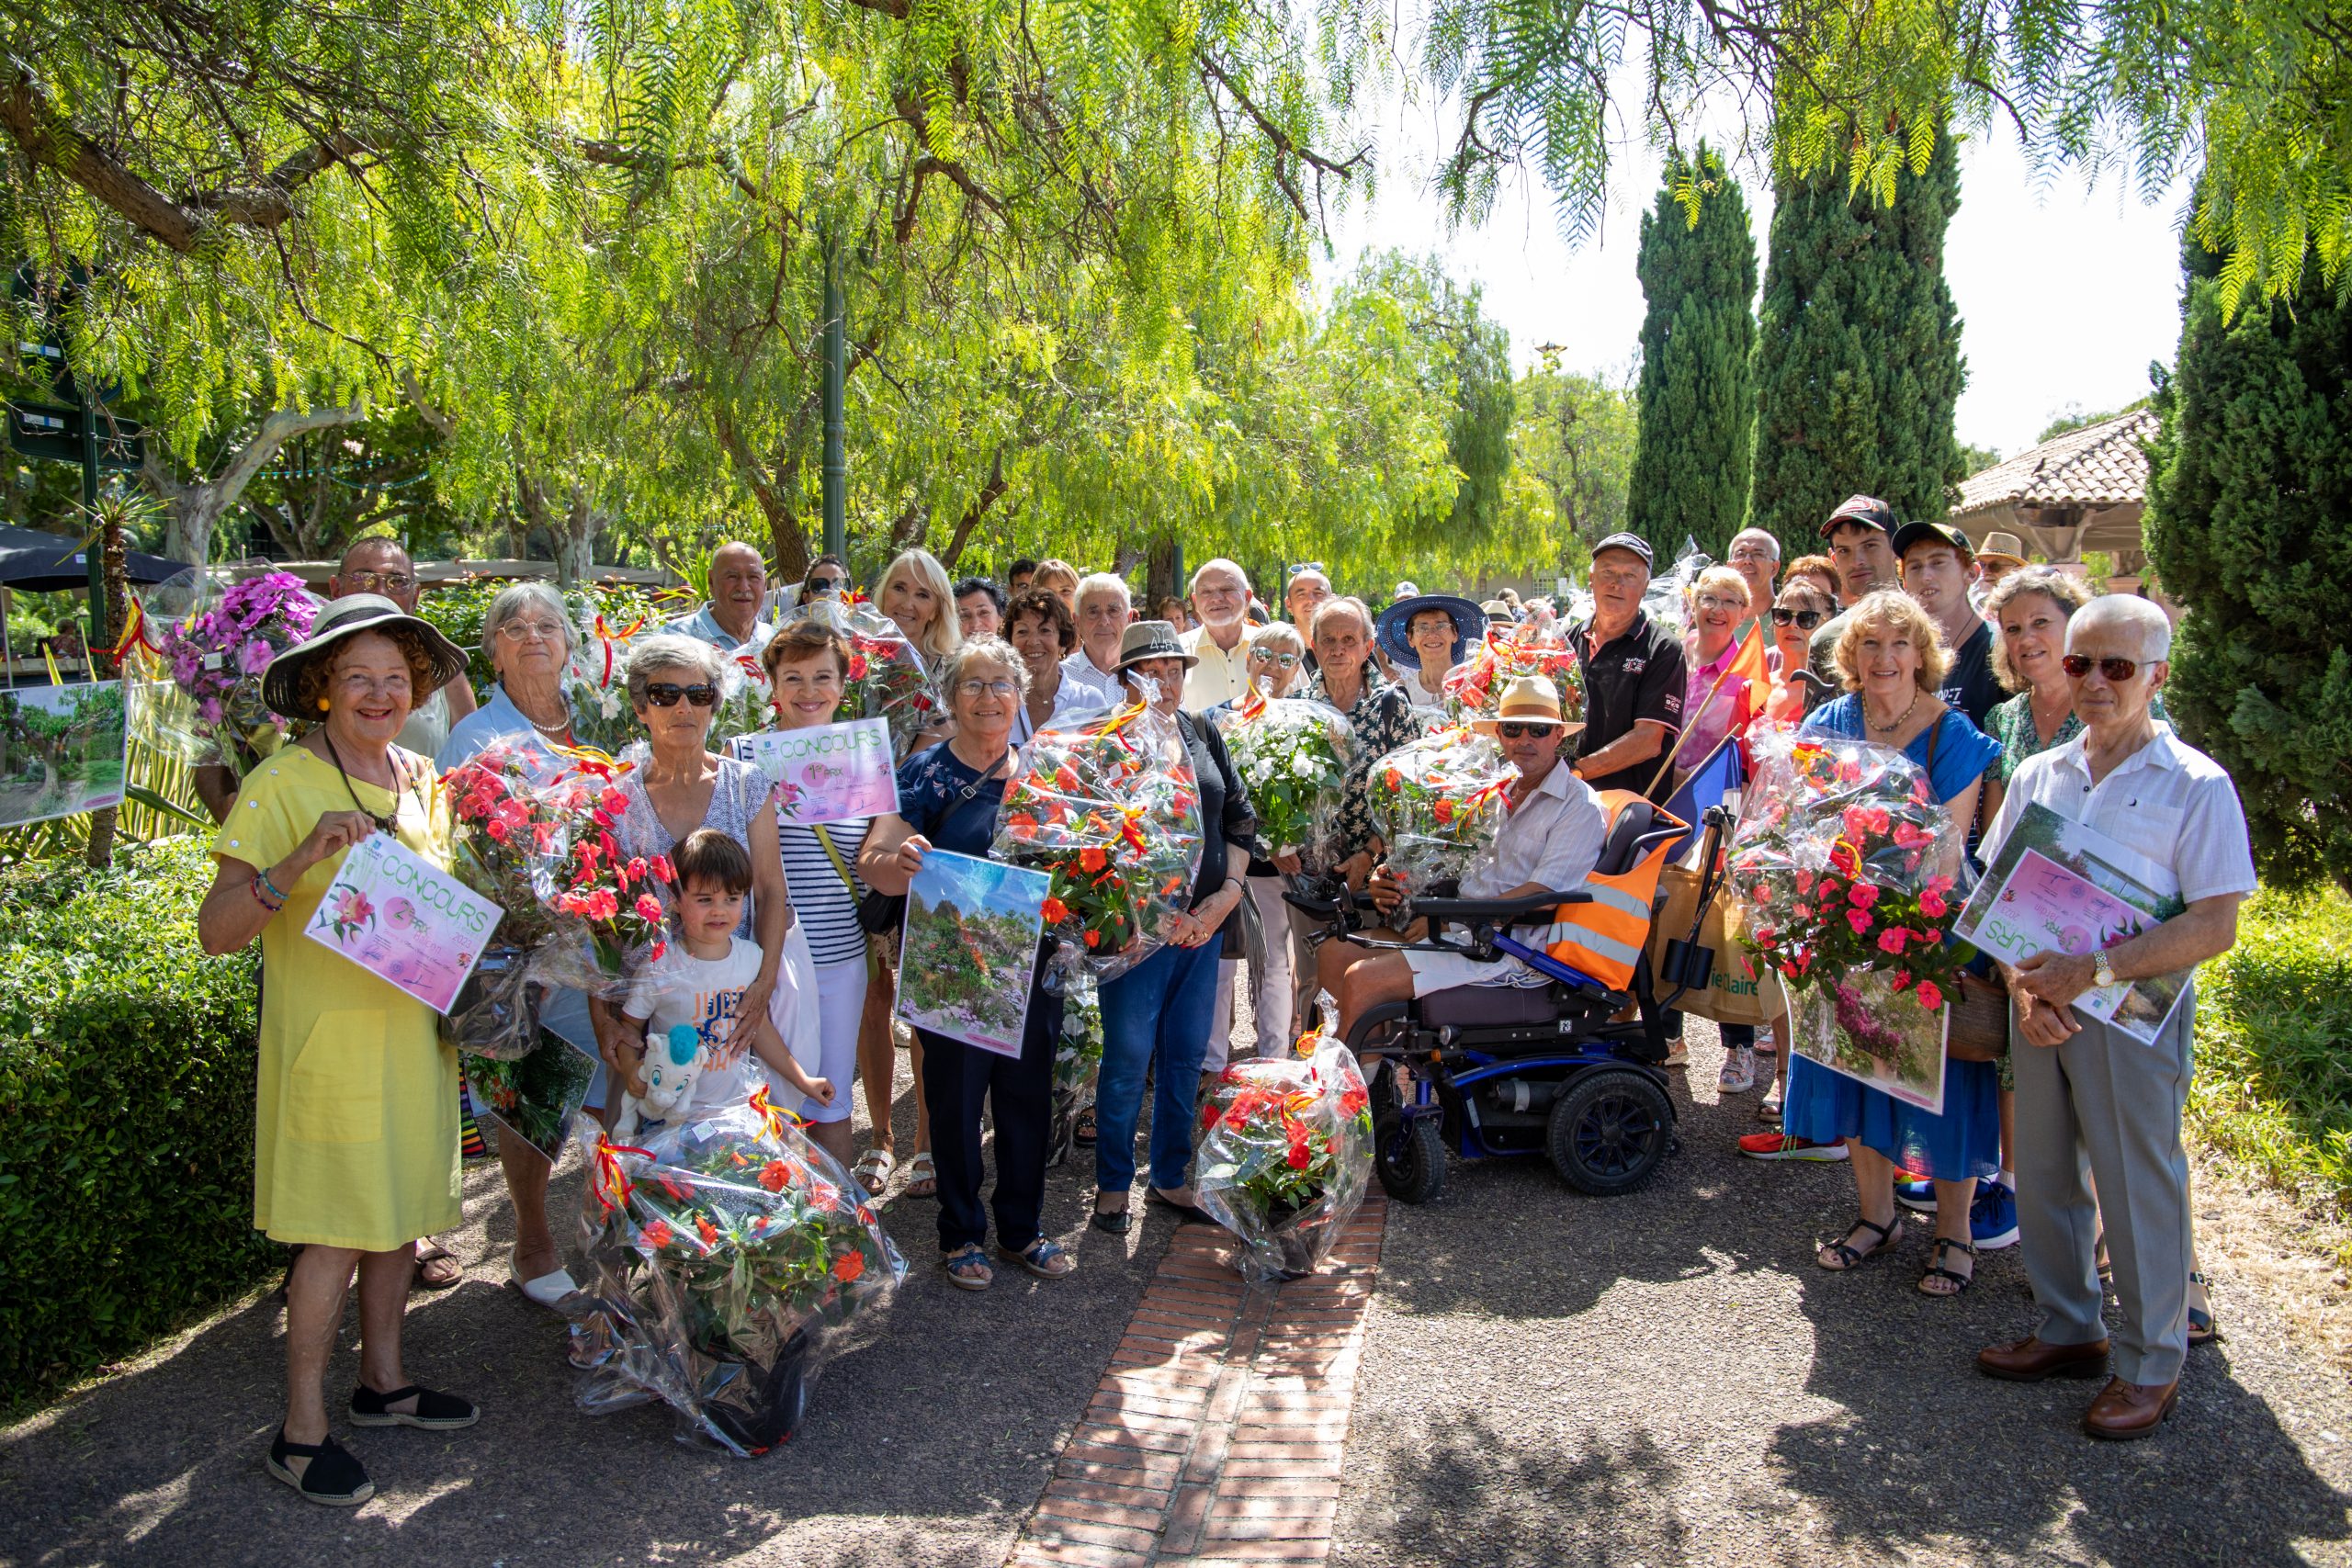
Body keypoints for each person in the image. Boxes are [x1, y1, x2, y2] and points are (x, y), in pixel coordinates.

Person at [198, 593, 479, 1506]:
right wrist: (298, 864)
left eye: (395, 679)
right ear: (323, 688)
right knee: (330, 1239)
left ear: (418, 691)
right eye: (357, 677)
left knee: (398, 1220)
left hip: (415, 1047)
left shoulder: (425, 779)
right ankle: (299, 1431)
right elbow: (217, 930)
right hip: (330, 1052)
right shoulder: (282, 783)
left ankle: (383, 1386)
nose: (377, 693)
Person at [1974, 595, 2253, 1438]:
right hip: (2043, 1006)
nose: (2093, 681)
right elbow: (1995, 899)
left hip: (2134, 1017)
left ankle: (2150, 1362)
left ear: (2157, 677)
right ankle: (2070, 1328)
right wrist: (2023, 986)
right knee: (2049, 1176)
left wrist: (2092, 970)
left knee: (2138, 1187)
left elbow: (2215, 923)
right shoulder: (2038, 772)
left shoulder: (2198, 785)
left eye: (2117, 667)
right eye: (2079, 662)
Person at [1755, 592, 2004, 1302]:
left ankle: (1953, 1233)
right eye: (1869, 644)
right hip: (1842, 924)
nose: (1885, 658)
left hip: (1927, 930)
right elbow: (1799, 816)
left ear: (1922, 654)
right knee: (1854, 1064)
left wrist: (1864, 882)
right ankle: (1877, 1217)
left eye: (1900, 643)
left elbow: (1947, 850)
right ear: (1851, 656)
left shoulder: (1953, 734)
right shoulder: (1829, 720)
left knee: (1941, 1082)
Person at [859, 637, 1078, 1288]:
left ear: (1019, 695)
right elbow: (873, 860)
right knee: (953, 1104)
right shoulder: (924, 774)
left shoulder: (1045, 774)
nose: (989, 698)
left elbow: (1077, 867)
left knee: (1025, 1100)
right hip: (950, 969)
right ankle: (959, 1233)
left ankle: (1021, 1229)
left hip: (1031, 968)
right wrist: (900, 862)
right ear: (951, 698)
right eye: (973, 686)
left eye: (1001, 684)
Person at [435, 582, 604, 1308]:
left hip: (605, 942)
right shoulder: (474, 737)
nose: (532, 634)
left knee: (621, 1091)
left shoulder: (599, 717)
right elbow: (460, 852)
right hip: (518, 952)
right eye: (513, 626)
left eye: (547, 625)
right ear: (492, 650)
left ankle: (623, 1232)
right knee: (532, 1098)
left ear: (568, 643)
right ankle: (532, 1245)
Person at [1322, 675, 1604, 1036]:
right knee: (1335, 952)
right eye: (1513, 729)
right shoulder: (1495, 792)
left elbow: (1543, 896)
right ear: (1500, 735)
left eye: (1538, 729)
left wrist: (1453, 919)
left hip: (1512, 947)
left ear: (1558, 737)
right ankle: (1369, 1078)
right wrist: (1388, 877)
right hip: (1464, 932)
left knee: (1363, 978)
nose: (1525, 740)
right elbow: (1445, 858)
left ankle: (1348, 1085)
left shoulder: (1578, 805)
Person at [587, 637, 795, 1125]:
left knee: (731, 1147)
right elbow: (597, 915)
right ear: (640, 707)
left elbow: (769, 890)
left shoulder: (746, 784)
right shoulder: (615, 799)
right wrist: (602, 1016)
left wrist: (763, 984)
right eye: (665, 694)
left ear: (713, 706)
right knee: (641, 1146)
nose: (683, 707)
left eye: (698, 694)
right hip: (644, 1012)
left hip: (728, 1004)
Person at [1091, 622, 1255, 1235]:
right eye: (1149, 670)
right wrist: (1156, 916)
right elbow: (1093, 849)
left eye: (1173, 669)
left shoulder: (1200, 729)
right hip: (1137, 934)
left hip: (1204, 929)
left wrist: (1225, 897)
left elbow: (1240, 816)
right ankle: (1112, 1184)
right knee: (1130, 1057)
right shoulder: (1106, 743)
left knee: (1186, 1055)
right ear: (1124, 677)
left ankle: (1170, 1176)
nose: (1163, 681)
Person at [193, 540, 479, 825]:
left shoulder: (442, 676)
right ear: (335, 589)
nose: (380, 590)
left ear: (415, 595)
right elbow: (214, 746)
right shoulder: (287, 658)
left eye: (396, 581)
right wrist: (229, 805)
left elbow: (472, 764)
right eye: (363, 578)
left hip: (412, 845)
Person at [614, 828, 835, 1135]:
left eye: (732, 898)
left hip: (739, 1116)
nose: (719, 910)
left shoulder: (750, 959)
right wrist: (629, 1068)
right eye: (704, 899)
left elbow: (758, 1030)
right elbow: (628, 1027)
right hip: (668, 1121)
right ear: (675, 899)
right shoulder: (659, 968)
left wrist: (803, 1080)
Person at [754, 620, 878, 1166]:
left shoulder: (867, 758)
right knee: (766, 1099)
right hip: (765, 959)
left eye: (823, 677)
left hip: (838, 957)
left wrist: (903, 854)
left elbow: (884, 842)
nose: (809, 691)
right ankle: (774, 1233)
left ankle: (837, 1234)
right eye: (794, 678)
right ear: (774, 687)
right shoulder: (746, 759)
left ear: (843, 685)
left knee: (829, 1096)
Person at [1205, 624, 1320, 1058]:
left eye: (1287, 659)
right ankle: (1212, 1058)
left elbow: (1313, 799)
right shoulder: (1215, 718)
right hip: (1225, 864)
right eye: (1266, 654)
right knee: (1220, 963)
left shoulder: (1305, 722)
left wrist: (1281, 843)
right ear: (1248, 658)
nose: (1274, 666)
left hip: (1276, 868)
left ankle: (1274, 1056)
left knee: (1274, 960)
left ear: (1297, 670)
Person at [1304, 597, 1422, 889]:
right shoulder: (1296, 709)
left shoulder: (1391, 706)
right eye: (1328, 640)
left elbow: (1412, 794)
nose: (1338, 649)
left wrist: (1369, 854)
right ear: (1314, 646)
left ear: (1367, 648)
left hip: (1378, 881)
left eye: (1349, 639)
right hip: (1309, 878)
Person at [1567, 533, 1686, 805]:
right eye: (1608, 571)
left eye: (1630, 576)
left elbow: (1648, 740)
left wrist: (1576, 772)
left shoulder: (1663, 649)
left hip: (1625, 813)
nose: (1616, 583)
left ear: (1645, 587)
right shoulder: (1564, 642)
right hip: (1564, 802)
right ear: (1591, 578)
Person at [1893, 520, 2000, 729]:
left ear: (1971, 573)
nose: (1926, 576)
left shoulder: (1998, 648)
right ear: (1904, 582)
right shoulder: (1898, 654)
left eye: (1938, 562)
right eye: (1915, 567)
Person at [1807, 498, 1902, 689]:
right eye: (1844, 551)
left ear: (1896, 549)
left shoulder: (1933, 626)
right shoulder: (1826, 641)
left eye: (1869, 546)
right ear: (1833, 559)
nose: (1856, 561)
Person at [1004, 587, 1105, 744]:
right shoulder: (999, 702)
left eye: (1045, 630)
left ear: (1063, 641)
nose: (1033, 641)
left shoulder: (1089, 702)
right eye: (1022, 632)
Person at [1376, 592, 1486, 710]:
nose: (1432, 634)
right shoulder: (1402, 693)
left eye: (1441, 626)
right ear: (1410, 639)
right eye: (1422, 628)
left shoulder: (1474, 683)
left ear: (1455, 634)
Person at [667, 541, 774, 655]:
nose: (743, 588)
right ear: (711, 581)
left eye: (753, 577)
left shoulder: (772, 640)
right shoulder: (674, 639)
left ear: (765, 583)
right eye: (732, 576)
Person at [1179, 558, 1257, 712]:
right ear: (1195, 601)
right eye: (1206, 592)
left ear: (1247, 597)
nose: (1216, 598)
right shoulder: (1176, 654)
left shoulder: (1275, 647)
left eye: (1227, 589)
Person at [1760, 578, 1837, 732]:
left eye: (1807, 618)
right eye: (1783, 615)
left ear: (1829, 626)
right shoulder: (1752, 689)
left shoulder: (1836, 695)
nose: (1792, 625)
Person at [1061, 572, 1132, 711]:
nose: (1104, 621)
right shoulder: (1061, 678)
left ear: (1129, 619)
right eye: (1093, 612)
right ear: (1077, 621)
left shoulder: (1146, 674)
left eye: (1113, 611)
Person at [1725, 528, 1781, 655]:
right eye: (1740, 554)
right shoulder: (1718, 618)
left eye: (1758, 554)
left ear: (1774, 567)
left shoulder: (1789, 618)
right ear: (1729, 566)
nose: (1747, 561)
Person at [954, 576, 1006, 642]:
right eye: (965, 616)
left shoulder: (1015, 651)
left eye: (983, 613)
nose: (976, 624)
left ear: (1000, 617)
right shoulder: (943, 651)